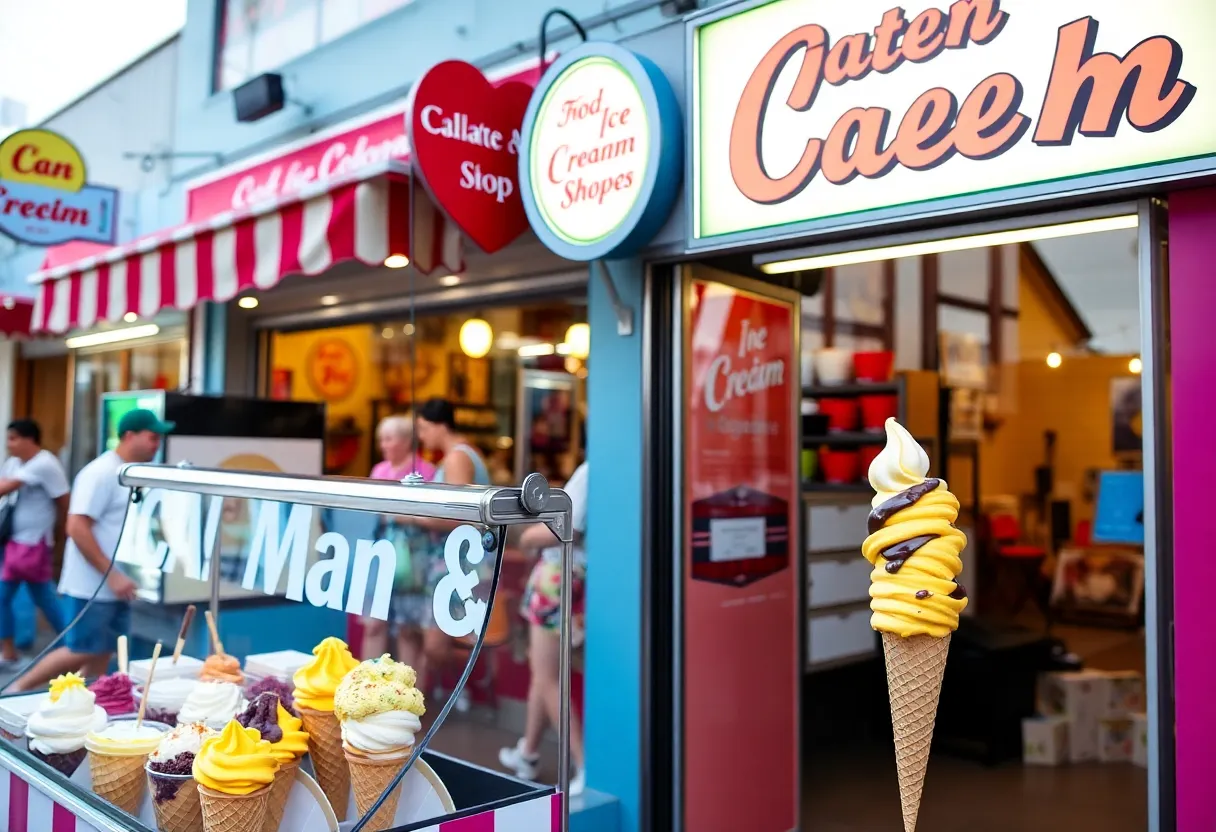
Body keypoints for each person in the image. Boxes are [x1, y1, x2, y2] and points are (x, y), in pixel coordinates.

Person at [10, 409, 173, 692]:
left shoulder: (127, 472)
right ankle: (16, 690)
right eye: (152, 437)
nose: (156, 444)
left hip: (114, 583)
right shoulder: (101, 472)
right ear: (129, 435)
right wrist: (111, 576)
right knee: (80, 649)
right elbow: (76, 527)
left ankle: (82, 707)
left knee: (102, 653)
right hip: (93, 585)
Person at [498, 459, 588, 796]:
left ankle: (583, 764)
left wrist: (527, 536)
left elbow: (566, 527)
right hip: (580, 580)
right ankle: (528, 753)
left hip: (559, 578)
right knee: (543, 670)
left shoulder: (589, 472)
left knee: (548, 676)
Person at [413, 398, 491, 703]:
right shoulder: (464, 454)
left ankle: (446, 694)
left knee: (436, 639)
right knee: (435, 635)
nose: (421, 436)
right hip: (456, 559)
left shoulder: (457, 458)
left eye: (423, 428)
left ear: (439, 425)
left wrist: (413, 515)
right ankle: (434, 696)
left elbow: (458, 514)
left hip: (458, 562)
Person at [362, 414, 436, 665]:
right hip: (380, 555)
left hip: (413, 559)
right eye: (381, 439)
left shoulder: (425, 470)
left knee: (408, 629)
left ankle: (409, 696)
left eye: (389, 439)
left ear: (406, 441)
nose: (383, 445)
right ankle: (365, 691)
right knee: (374, 624)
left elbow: (431, 515)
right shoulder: (379, 470)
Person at [0, 419, 70, 667]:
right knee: (44, 598)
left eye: (14, 438)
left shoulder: (44, 463)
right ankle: (72, 646)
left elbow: (6, 487)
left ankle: (72, 647)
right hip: (16, 543)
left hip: (32, 545)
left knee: (10, 596)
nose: (9, 445)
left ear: (30, 439)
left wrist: (65, 534)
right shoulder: (15, 462)